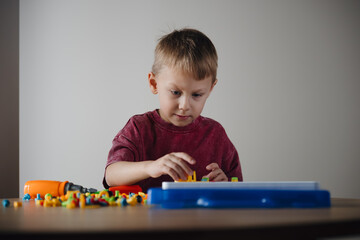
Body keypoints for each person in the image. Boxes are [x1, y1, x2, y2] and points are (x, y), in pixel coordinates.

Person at [103, 28, 242, 192]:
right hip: (146, 217)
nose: (184, 105)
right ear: (154, 84)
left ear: (210, 89)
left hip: (201, 218)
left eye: (197, 94)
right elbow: (111, 175)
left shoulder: (216, 134)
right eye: (176, 92)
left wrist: (226, 186)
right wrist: (150, 167)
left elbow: (238, 189)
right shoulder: (139, 128)